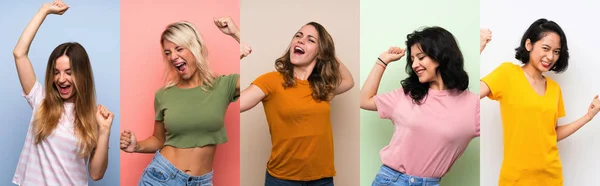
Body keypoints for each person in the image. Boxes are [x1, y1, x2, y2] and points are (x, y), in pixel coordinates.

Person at [119, 16, 243, 186]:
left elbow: (261, 81)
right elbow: (158, 139)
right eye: (168, 52)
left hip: (203, 182)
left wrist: (235, 33)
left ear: (195, 48)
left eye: (179, 49)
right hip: (162, 177)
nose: (173, 57)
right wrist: (136, 146)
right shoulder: (164, 94)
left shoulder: (223, 85)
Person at [480, 18, 600, 185]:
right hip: (515, 178)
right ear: (529, 45)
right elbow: (470, 95)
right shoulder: (507, 73)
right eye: (546, 48)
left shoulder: (554, 89)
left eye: (557, 51)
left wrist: (588, 116)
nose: (550, 56)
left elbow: (551, 134)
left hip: (551, 177)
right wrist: (479, 47)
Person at [360, 26, 479, 186]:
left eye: (421, 57)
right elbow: (363, 100)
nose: (415, 64)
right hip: (390, 180)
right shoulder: (406, 95)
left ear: (441, 56)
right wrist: (382, 61)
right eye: (412, 59)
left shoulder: (473, 105)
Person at [11, 1, 114, 185]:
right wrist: (44, 11)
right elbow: (19, 53)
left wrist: (104, 131)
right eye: (56, 72)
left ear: (82, 75)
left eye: (69, 72)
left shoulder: (93, 118)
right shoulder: (40, 101)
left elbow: (96, 174)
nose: (60, 79)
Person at [240, 22, 354, 186]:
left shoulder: (322, 87)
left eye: (310, 40)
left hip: (322, 179)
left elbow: (348, 81)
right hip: (283, 180)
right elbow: (234, 104)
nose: (300, 41)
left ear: (320, 52)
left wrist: (328, 52)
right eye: (298, 36)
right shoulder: (271, 81)